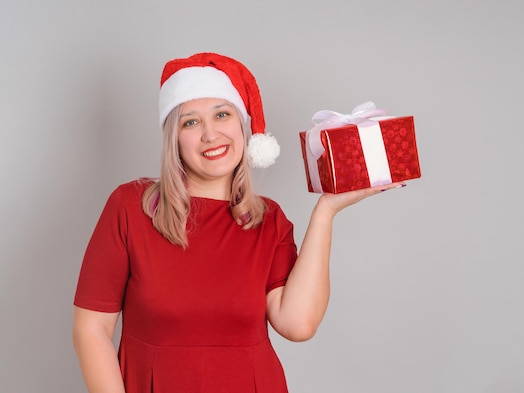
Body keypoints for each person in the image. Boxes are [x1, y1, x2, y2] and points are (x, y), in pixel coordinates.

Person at [72, 52, 404, 393]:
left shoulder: (269, 221)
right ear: (174, 139)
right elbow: (91, 329)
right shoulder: (130, 207)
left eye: (222, 114)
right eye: (190, 122)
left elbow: (298, 324)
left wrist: (326, 212)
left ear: (243, 127)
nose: (210, 134)